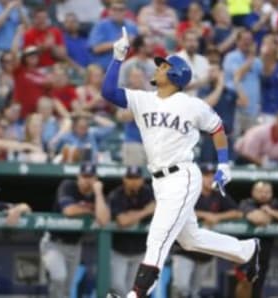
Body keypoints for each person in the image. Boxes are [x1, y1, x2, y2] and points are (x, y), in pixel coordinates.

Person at [101, 26, 260, 298]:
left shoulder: (191, 104)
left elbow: (218, 128)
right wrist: (118, 57)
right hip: (160, 181)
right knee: (189, 239)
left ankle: (135, 295)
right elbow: (108, 92)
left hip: (182, 176)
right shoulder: (143, 99)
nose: (158, 68)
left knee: (158, 237)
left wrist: (224, 164)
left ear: (175, 74)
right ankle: (246, 250)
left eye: (163, 66)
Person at [171, 163, 244, 298]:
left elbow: (238, 213)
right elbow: (177, 209)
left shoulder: (218, 194)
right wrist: (205, 215)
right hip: (184, 250)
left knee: (194, 292)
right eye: (206, 175)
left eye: (213, 176)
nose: (210, 179)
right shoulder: (189, 190)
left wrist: (218, 216)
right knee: (181, 288)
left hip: (205, 253)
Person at [41, 163, 110, 298]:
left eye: (91, 177)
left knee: (67, 288)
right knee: (59, 277)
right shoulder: (68, 186)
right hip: (54, 243)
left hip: (75, 246)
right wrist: (91, 211)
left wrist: (98, 193)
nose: (87, 180)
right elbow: (69, 211)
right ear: (78, 176)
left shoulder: (97, 196)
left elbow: (104, 220)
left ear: (96, 179)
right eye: (84, 176)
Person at [238, 181, 278, 298]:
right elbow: (258, 219)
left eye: (267, 192)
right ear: (253, 192)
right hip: (245, 257)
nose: (264, 194)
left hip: (263, 257)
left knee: (257, 292)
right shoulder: (246, 203)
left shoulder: (274, 204)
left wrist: (271, 212)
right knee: (244, 287)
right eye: (260, 191)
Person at [108, 165, 155, 296]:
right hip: (119, 250)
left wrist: (132, 215)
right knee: (117, 287)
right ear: (124, 179)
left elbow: (158, 210)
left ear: (142, 180)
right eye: (130, 178)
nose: (133, 181)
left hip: (140, 250)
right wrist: (145, 211)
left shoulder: (148, 192)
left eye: (136, 178)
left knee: (135, 291)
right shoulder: (116, 194)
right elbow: (123, 221)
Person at [223, 29, 262, 137]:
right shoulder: (231, 57)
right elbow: (238, 75)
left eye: (249, 40)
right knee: (235, 141)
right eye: (244, 39)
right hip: (236, 108)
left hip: (253, 109)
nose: (247, 42)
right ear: (237, 41)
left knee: (252, 142)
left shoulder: (257, 60)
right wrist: (250, 58)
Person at [88, 0, 138, 70]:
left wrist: (135, 42)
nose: (117, 12)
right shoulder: (101, 25)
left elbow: (138, 47)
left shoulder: (131, 26)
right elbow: (96, 48)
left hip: (127, 68)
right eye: (114, 9)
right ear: (109, 11)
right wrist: (119, 42)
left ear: (126, 11)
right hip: (104, 67)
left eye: (121, 10)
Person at [117, 67, 148, 166]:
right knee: (134, 176)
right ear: (129, 79)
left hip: (151, 142)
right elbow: (121, 116)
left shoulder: (151, 95)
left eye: (140, 76)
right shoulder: (126, 95)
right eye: (134, 77)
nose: (138, 79)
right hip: (133, 142)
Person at [176, 29, 210, 96]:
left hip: (202, 99)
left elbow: (208, 83)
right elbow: (178, 87)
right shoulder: (175, 59)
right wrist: (202, 82)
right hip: (181, 100)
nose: (192, 44)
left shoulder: (203, 60)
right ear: (183, 42)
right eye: (189, 41)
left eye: (195, 41)